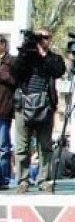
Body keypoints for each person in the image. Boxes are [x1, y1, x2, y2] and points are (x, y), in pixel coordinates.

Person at [11, 28, 66, 193]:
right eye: (39, 37)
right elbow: (15, 72)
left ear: (50, 39)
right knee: (22, 146)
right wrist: (26, 51)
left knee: (45, 146)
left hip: (45, 106)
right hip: (23, 105)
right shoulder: (25, 57)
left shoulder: (53, 58)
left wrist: (43, 55)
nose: (43, 40)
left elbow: (58, 71)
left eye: (46, 37)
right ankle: (23, 180)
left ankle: (44, 180)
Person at [0, 35, 14, 189]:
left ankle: (4, 178)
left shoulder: (10, 61)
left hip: (3, 108)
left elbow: (13, 80)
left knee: (3, 146)